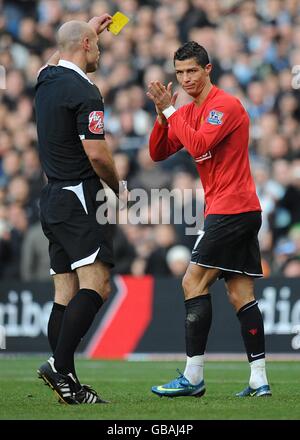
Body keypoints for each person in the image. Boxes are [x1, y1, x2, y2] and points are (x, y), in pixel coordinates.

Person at [147, 41, 271, 398]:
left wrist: (171, 111)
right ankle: (259, 379)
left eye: (192, 71)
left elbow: (199, 146)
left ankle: (194, 376)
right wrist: (162, 115)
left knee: (192, 282)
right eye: (180, 73)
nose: (185, 79)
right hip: (237, 209)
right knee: (240, 293)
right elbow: (158, 152)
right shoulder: (183, 112)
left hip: (231, 208)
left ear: (207, 70)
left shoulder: (225, 105)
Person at [35, 15, 127, 404]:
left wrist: (87, 28)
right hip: (77, 197)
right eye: (98, 44)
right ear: (87, 45)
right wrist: (118, 186)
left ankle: (67, 383)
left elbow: (62, 50)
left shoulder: (46, 78)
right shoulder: (86, 91)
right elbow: (96, 152)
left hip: (51, 197)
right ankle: (59, 365)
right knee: (98, 284)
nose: (101, 50)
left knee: (64, 291)